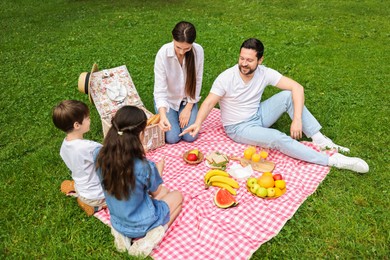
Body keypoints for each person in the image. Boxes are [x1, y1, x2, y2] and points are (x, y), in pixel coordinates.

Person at [182, 38, 369, 173]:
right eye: (241, 58)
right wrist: (198, 122)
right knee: (278, 138)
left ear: (260, 60)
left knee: (289, 95)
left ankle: (319, 139)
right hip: (238, 127)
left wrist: (297, 120)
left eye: (249, 60)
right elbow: (209, 102)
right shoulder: (226, 77)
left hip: (258, 115)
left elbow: (297, 87)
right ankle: (330, 160)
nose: (243, 64)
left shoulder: (264, 73)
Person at [95, 105, 183, 257]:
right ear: (141, 134)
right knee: (177, 196)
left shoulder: (99, 155)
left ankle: (121, 234)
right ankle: (153, 236)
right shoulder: (144, 166)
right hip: (142, 221)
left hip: (117, 218)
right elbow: (155, 193)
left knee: (164, 193)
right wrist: (158, 169)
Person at [52, 100, 106, 216]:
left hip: (81, 186)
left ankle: (76, 190)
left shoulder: (64, 145)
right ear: (77, 125)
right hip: (97, 195)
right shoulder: (90, 148)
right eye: (87, 118)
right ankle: (94, 206)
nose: (89, 119)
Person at [153, 21, 204, 144]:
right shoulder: (163, 54)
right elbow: (160, 90)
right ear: (173, 39)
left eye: (187, 48)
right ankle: (172, 115)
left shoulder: (198, 51)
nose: (182, 52)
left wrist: (189, 107)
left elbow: (197, 81)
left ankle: (186, 110)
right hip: (168, 101)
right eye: (178, 47)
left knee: (190, 136)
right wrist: (163, 115)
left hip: (187, 99)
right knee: (172, 138)